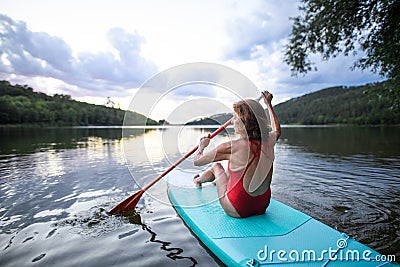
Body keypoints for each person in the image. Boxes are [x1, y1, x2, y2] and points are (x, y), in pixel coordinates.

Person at [193, 91, 281, 218]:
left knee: (217, 166)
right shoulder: (270, 140)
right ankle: (214, 182)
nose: (232, 122)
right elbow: (277, 130)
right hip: (262, 205)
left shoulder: (231, 147)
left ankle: (198, 181)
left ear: (243, 122)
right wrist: (269, 104)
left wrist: (201, 147)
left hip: (237, 209)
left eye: (235, 118)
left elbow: (197, 161)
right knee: (233, 167)